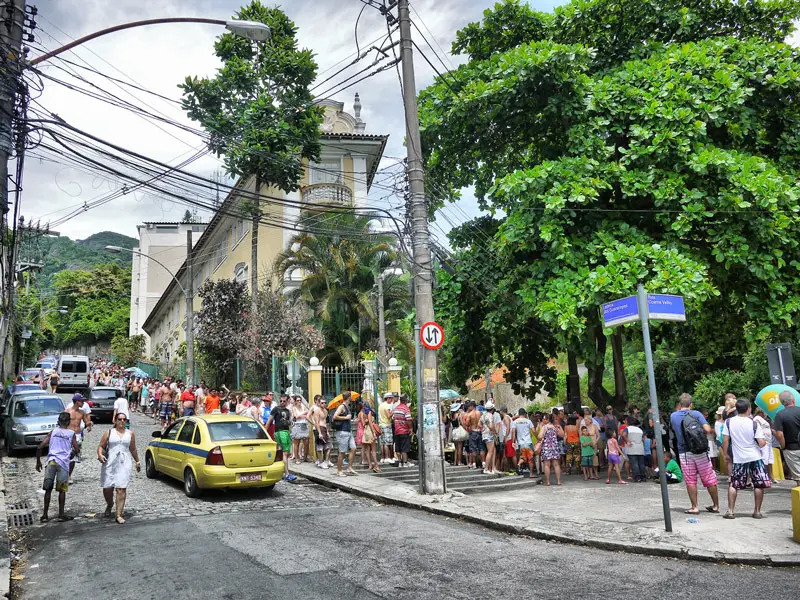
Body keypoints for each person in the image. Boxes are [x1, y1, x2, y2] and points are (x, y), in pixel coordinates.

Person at [670, 393, 720, 515]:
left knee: (691, 480)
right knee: (709, 478)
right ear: (691, 404)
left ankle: (694, 507)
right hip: (700, 451)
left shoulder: (673, 416)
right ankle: (715, 506)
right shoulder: (696, 414)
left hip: (684, 453)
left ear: (679, 405)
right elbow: (707, 429)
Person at [721, 399, 769, 519]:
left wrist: (725, 454)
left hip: (739, 458)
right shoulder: (753, 423)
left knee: (734, 484)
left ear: (737, 409)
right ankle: (757, 511)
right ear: (748, 409)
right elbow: (762, 443)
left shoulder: (728, 422)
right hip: (755, 457)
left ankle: (730, 511)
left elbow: (725, 440)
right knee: (758, 484)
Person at [36, 412, 80, 522]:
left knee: (48, 489)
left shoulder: (53, 432)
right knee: (62, 490)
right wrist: (73, 453)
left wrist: (38, 462)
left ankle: (45, 515)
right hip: (63, 464)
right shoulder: (71, 434)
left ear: (58, 421)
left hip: (51, 462)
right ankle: (61, 515)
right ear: (68, 422)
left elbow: (40, 447)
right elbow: (77, 449)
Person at [98, 412, 140, 524]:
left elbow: (133, 449)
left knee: (121, 488)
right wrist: (100, 454)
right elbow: (101, 446)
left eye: (124, 419)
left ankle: (118, 514)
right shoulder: (109, 432)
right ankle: (110, 504)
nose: (122, 421)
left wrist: (137, 461)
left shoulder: (130, 434)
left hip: (124, 462)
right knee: (107, 488)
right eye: (120, 419)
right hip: (110, 462)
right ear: (115, 421)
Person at [266, 395, 296, 482]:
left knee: (285, 454)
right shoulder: (276, 409)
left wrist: (290, 422)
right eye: (281, 401)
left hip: (286, 432)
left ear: (287, 401)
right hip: (280, 432)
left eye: (284, 401)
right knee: (285, 453)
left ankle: (285, 472)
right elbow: (269, 421)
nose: (282, 403)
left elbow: (290, 423)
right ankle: (286, 474)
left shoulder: (288, 411)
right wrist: (265, 433)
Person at [774, 390, 800, 487]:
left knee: (798, 476)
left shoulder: (780, 415)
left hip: (791, 449)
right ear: (793, 400)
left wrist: (783, 446)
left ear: (782, 403)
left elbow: (779, 434)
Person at [65, 393, 93, 484]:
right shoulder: (67, 411)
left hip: (77, 436)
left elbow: (86, 421)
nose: (83, 402)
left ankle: (69, 476)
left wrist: (89, 424)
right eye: (81, 401)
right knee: (66, 456)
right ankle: (64, 474)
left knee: (73, 457)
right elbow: (62, 423)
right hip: (68, 436)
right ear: (77, 402)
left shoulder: (82, 412)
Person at [332, 392, 358, 476]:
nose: (352, 398)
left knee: (353, 448)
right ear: (349, 397)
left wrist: (351, 420)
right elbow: (335, 416)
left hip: (348, 431)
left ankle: (349, 467)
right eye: (351, 397)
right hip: (342, 432)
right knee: (342, 452)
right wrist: (345, 418)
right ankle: (339, 470)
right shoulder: (341, 406)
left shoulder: (347, 407)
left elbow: (347, 419)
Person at [537, 413, 563, 486]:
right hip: (554, 447)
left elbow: (539, 437)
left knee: (546, 464)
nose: (543, 420)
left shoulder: (544, 427)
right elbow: (562, 435)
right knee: (556, 464)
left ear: (547, 419)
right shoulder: (554, 427)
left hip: (546, 447)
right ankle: (558, 481)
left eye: (544, 419)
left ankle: (548, 482)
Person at [512, 408, 536, 478]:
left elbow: (513, 432)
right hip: (528, 442)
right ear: (525, 414)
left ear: (519, 414)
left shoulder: (515, 422)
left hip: (521, 443)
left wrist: (513, 442)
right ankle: (531, 474)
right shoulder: (528, 421)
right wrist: (538, 438)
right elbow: (534, 431)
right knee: (530, 458)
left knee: (523, 457)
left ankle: (518, 465)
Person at [753, 407, 775, 482]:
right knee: (764, 459)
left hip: (768, 442)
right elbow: (756, 429)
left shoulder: (764, 419)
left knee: (769, 459)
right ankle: (763, 476)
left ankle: (770, 476)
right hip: (763, 441)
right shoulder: (757, 418)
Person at [310, 395, 331, 469]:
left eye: (325, 403)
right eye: (322, 403)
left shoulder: (325, 411)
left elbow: (325, 422)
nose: (324, 404)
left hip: (324, 428)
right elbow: (316, 422)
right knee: (319, 447)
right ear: (319, 403)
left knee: (328, 446)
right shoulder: (317, 410)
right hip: (319, 429)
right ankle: (321, 462)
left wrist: (327, 431)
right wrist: (319, 433)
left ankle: (326, 461)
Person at [392, 394, 414, 468]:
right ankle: (405, 462)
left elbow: (393, 418)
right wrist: (410, 428)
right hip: (404, 431)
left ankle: (400, 463)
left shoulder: (396, 408)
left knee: (398, 448)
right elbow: (409, 420)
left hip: (397, 431)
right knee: (404, 448)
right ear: (406, 400)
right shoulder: (406, 409)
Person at [359, 403, 381, 473]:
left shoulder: (363, 413)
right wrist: (374, 432)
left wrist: (366, 422)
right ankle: (376, 465)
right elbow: (371, 423)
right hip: (370, 431)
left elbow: (363, 424)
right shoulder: (369, 412)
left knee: (368, 449)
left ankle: (370, 465)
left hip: (366, 431)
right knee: (373, 449)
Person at [290, 394, 311, 464]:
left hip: (304, 425)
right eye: (297, 400)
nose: (299, 402)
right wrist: (304, 414)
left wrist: (302, 415)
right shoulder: (294, 408)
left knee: (306, 442)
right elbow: (296, 416)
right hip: (297, 425)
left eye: (300, 400)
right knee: (297, 443)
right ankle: (297, 458)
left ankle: (305, 457)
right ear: (295, 401)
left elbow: (308, 414)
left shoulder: (303, 406)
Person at [626, 418, 646, 483]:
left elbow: (623, 435)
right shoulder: (640, 429)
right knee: (641, 463)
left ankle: (637, 478)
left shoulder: (628, 428)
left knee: (634, 463)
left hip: (632, 447)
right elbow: (644, 438)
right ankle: (643, 477)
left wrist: (627, 441)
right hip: (640, 447)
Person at [480, 400, 498, 474]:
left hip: (484, 435)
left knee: (491, 451)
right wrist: (494, 431)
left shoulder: (483, 415)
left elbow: (479, 424)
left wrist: (483, 429)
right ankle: (486, 468)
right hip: (489, 435)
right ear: (492, 409)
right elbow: (491, 426)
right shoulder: (490, 415)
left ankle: (491, 468)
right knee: (490, 452)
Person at [378, 392, 396, 464]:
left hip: (381, 425)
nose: (392, 400)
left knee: (382, 442)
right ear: (388, 398)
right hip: (386, 424)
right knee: (387, 442)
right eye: (391, 398)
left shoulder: (381, 405)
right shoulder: (386, 406)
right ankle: (387, 457)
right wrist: (393, 411)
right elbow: (389, 416)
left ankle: (383, 458)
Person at [497, 406, 515, 473]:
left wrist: (506, 437)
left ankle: (512, 469)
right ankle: (509, 468)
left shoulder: (506, 418)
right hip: (508, 438)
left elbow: (508, 427)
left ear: (502, 411)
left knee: (509, 455)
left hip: (507, 438)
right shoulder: (508, 417)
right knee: (508, 455)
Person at [465, 402, 482, 469]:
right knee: (481, 448)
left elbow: (467, 424)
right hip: (479, 431)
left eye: (469, 406)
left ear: (472, 406)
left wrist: (470, 424)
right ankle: (483, 462)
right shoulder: (480, 413)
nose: (468, 408)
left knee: (473, 449)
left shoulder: (470, 414)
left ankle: (474, 463)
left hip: (473, 432)